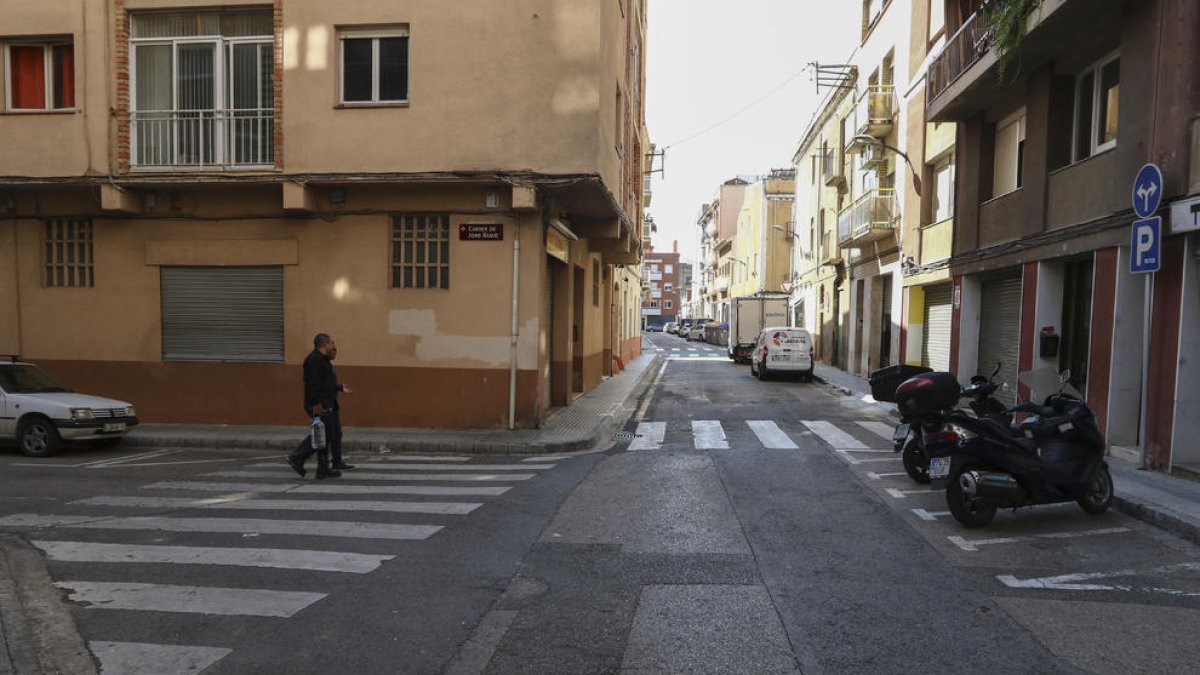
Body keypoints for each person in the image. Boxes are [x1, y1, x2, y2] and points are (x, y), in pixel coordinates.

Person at [286, 333, 355, 478]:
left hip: (327, 402)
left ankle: (323, 468)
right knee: (323, 434)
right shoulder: (314, 360)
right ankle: (297, 457)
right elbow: (312, 384)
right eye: (331, 343)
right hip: (319, 404)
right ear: (325, 344)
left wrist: (339, 387)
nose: (333, 346)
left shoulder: (323, 359)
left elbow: (325, 383)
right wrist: (316, 403)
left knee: (328, 435)